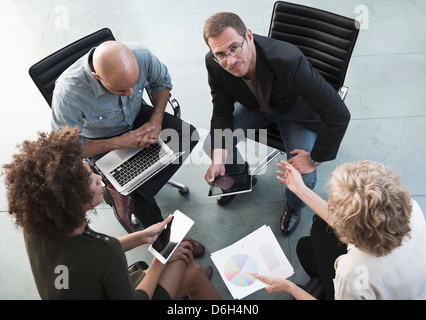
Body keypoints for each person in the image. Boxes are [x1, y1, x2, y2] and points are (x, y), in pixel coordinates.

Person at [3, 127, 221, 300]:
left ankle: (192, 280)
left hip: (87, 288)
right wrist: (160, 259)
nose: (99, 178)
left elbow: (88, 256)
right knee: (188, 264)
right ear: (72, 200)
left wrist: (144, 236)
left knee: (184, 263)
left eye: (89, 168)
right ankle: (195, 280)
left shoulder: (40, 225)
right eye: (90, 179)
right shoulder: (105, 252)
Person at [202, 12, 350, 235]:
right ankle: (238, 174)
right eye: (220, 54)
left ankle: (294, 204)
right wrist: (220, 159)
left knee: (306, 176)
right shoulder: (214, 64)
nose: (229, 61)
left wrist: (314, 159)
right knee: (213, 146)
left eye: (234, 48)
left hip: (295, 113)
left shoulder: (289, 61)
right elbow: (221, 111)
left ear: (249, 36)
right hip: (257, 107)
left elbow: (339, 113)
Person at [51, 40, 204, 256]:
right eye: (122, 90)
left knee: (188, 135)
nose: (132, 91)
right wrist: (119, 142)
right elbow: (66, 149)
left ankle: (123, 193)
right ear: (98, 78)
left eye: (134, 85)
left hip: (139, 118)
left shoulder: (141, 55)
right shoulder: (68, 94)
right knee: (138, 195)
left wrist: (156, 119)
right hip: (102, 142)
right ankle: (169, 243)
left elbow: (161, 83)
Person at [256, 160, 426, 300]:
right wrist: (301, 189)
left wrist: (289, 287)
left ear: (351, 231)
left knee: (305, 248)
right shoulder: (410, 207)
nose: (329, 204)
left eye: (334, 206)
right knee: (319, 227)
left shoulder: (352, 273)